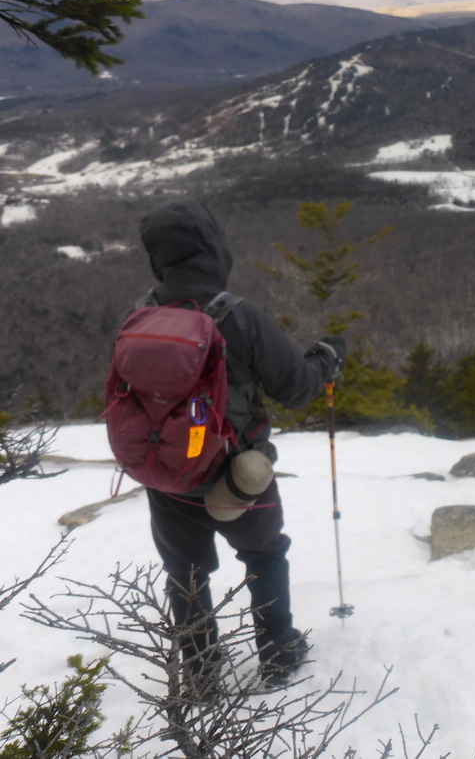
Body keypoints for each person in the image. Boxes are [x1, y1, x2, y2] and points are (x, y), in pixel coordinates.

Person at [135, 199, 346, 691]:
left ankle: (203, 673)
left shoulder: (141, 314)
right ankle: (278, 653)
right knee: (265, 555)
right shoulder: (237, 316)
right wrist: (326, 358)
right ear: (213, 248)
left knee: (185, 573)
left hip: (167, 476)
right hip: (237, 474)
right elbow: (296, 389)